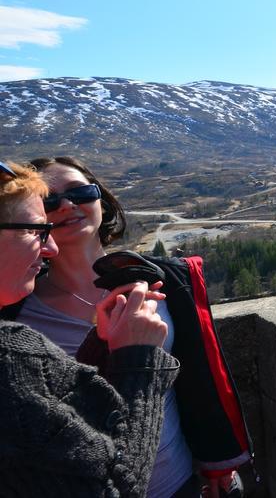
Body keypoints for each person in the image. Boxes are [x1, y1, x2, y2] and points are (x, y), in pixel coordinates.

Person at [9, 157, 251, 498]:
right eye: (49, 200)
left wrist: (219, 460)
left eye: (81, 192)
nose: (66, 205)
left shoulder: (166, 280)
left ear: (102, 203)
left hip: (180, 480)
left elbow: (201, 377)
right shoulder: (16, 311)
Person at [0, 159, 178, 496]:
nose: (49, 246)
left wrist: (100, 344)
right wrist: (138, 358)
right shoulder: (11, 349)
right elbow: (114, 487)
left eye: (80, 192)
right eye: (38, 227)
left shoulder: (165, 279)